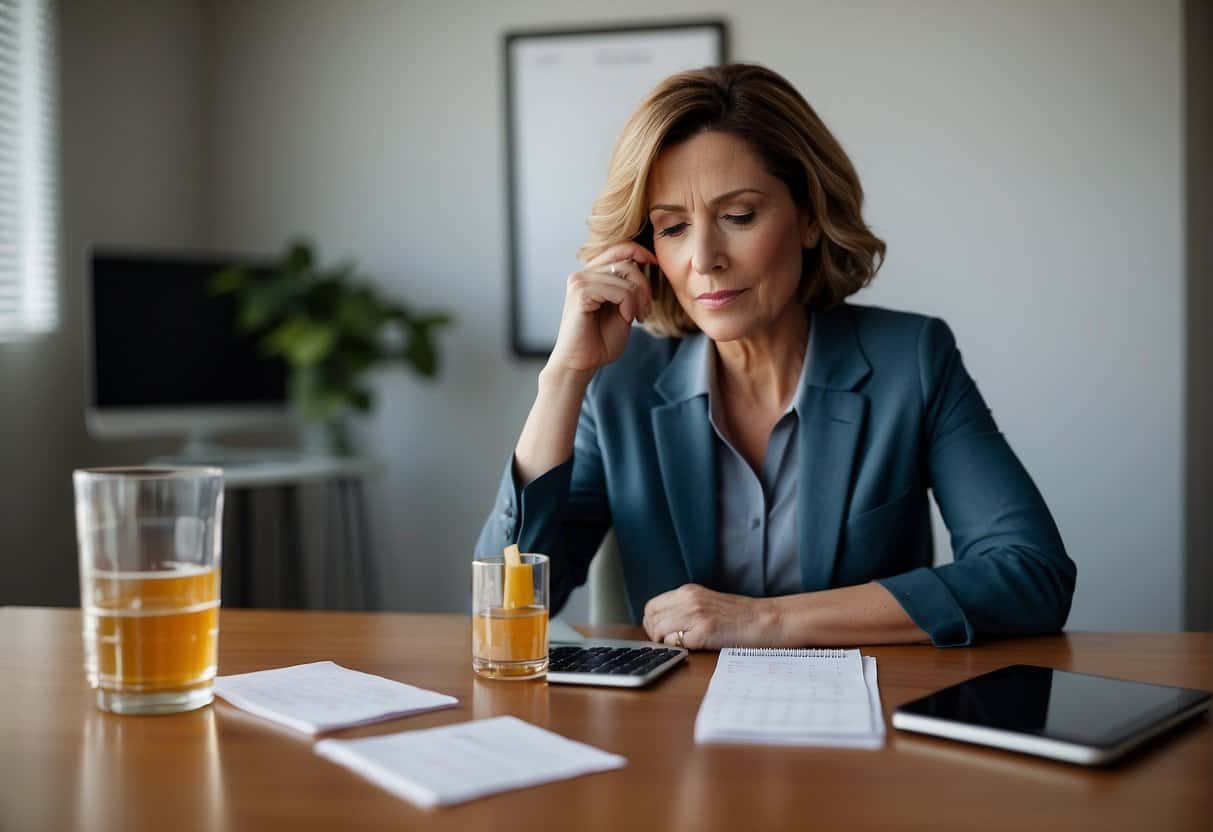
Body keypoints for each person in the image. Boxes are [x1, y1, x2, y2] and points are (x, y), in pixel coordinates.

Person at [476, 63, 1075, 649]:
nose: (704, 257)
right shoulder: (618, 386)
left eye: (738, 216)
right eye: (673, 228)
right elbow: (505, 601)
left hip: (866, 722)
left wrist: (766, 621)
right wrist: (563, 378)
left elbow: (1030, 573)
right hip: (673, 728)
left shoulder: (911, 360)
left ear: (809, 218)